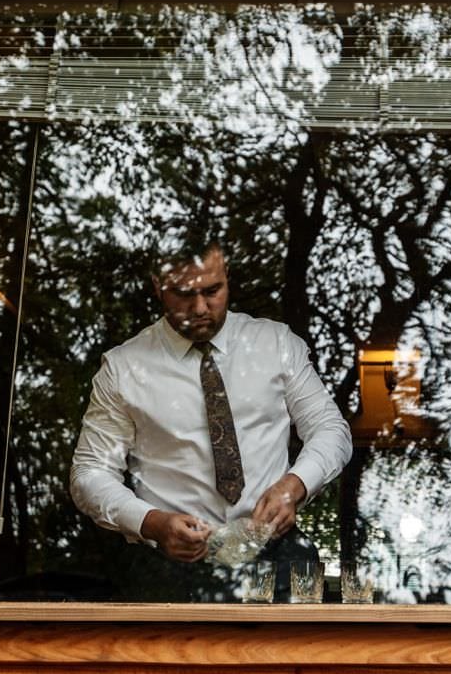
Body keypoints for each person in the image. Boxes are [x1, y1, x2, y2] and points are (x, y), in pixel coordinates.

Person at [69, 241, 352, 598]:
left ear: (227, 276)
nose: (201, 307)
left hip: (278, 558)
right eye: (184, 294)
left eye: (213, 290)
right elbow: (90, 473)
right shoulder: (123, 368)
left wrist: (293, 486)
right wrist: (152, 523)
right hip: (168, 570)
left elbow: (331, 430)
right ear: (158, 286)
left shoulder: (276, 343)